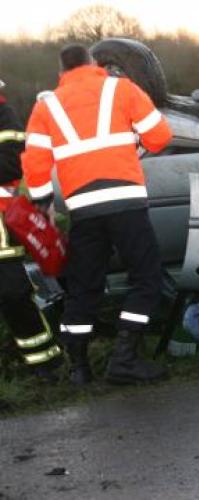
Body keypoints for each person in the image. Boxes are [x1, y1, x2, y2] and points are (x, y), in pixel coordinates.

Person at [21, 45, 173, 385]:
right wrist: (133, 142)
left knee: (83, 287)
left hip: (83, 210)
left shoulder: (47, 106)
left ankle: (78, 368)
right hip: (126, 203)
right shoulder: (122, 89)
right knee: (146, 279)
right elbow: (161, 137)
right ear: (94, 65)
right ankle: (125, 358)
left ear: (61, 73)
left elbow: (34, 161)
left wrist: (43, 201)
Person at [0, 78, 64, 378]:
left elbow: (13, 165)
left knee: (13, 295)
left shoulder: (5, 115)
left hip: (2, 231)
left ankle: (47, 365)